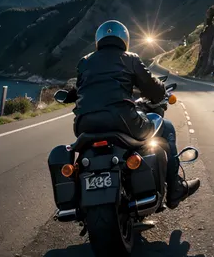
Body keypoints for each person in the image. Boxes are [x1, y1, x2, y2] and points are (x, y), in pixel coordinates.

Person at [64, 20, 200, 209]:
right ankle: (175, 188)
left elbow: (78, 88)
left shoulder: (85, 62)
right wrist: (160, 91)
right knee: (166, 127)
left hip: (84, 124)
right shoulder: (130, 58)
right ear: (124, 40)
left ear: (98, 40)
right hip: (122, 120)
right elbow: (152, 86)